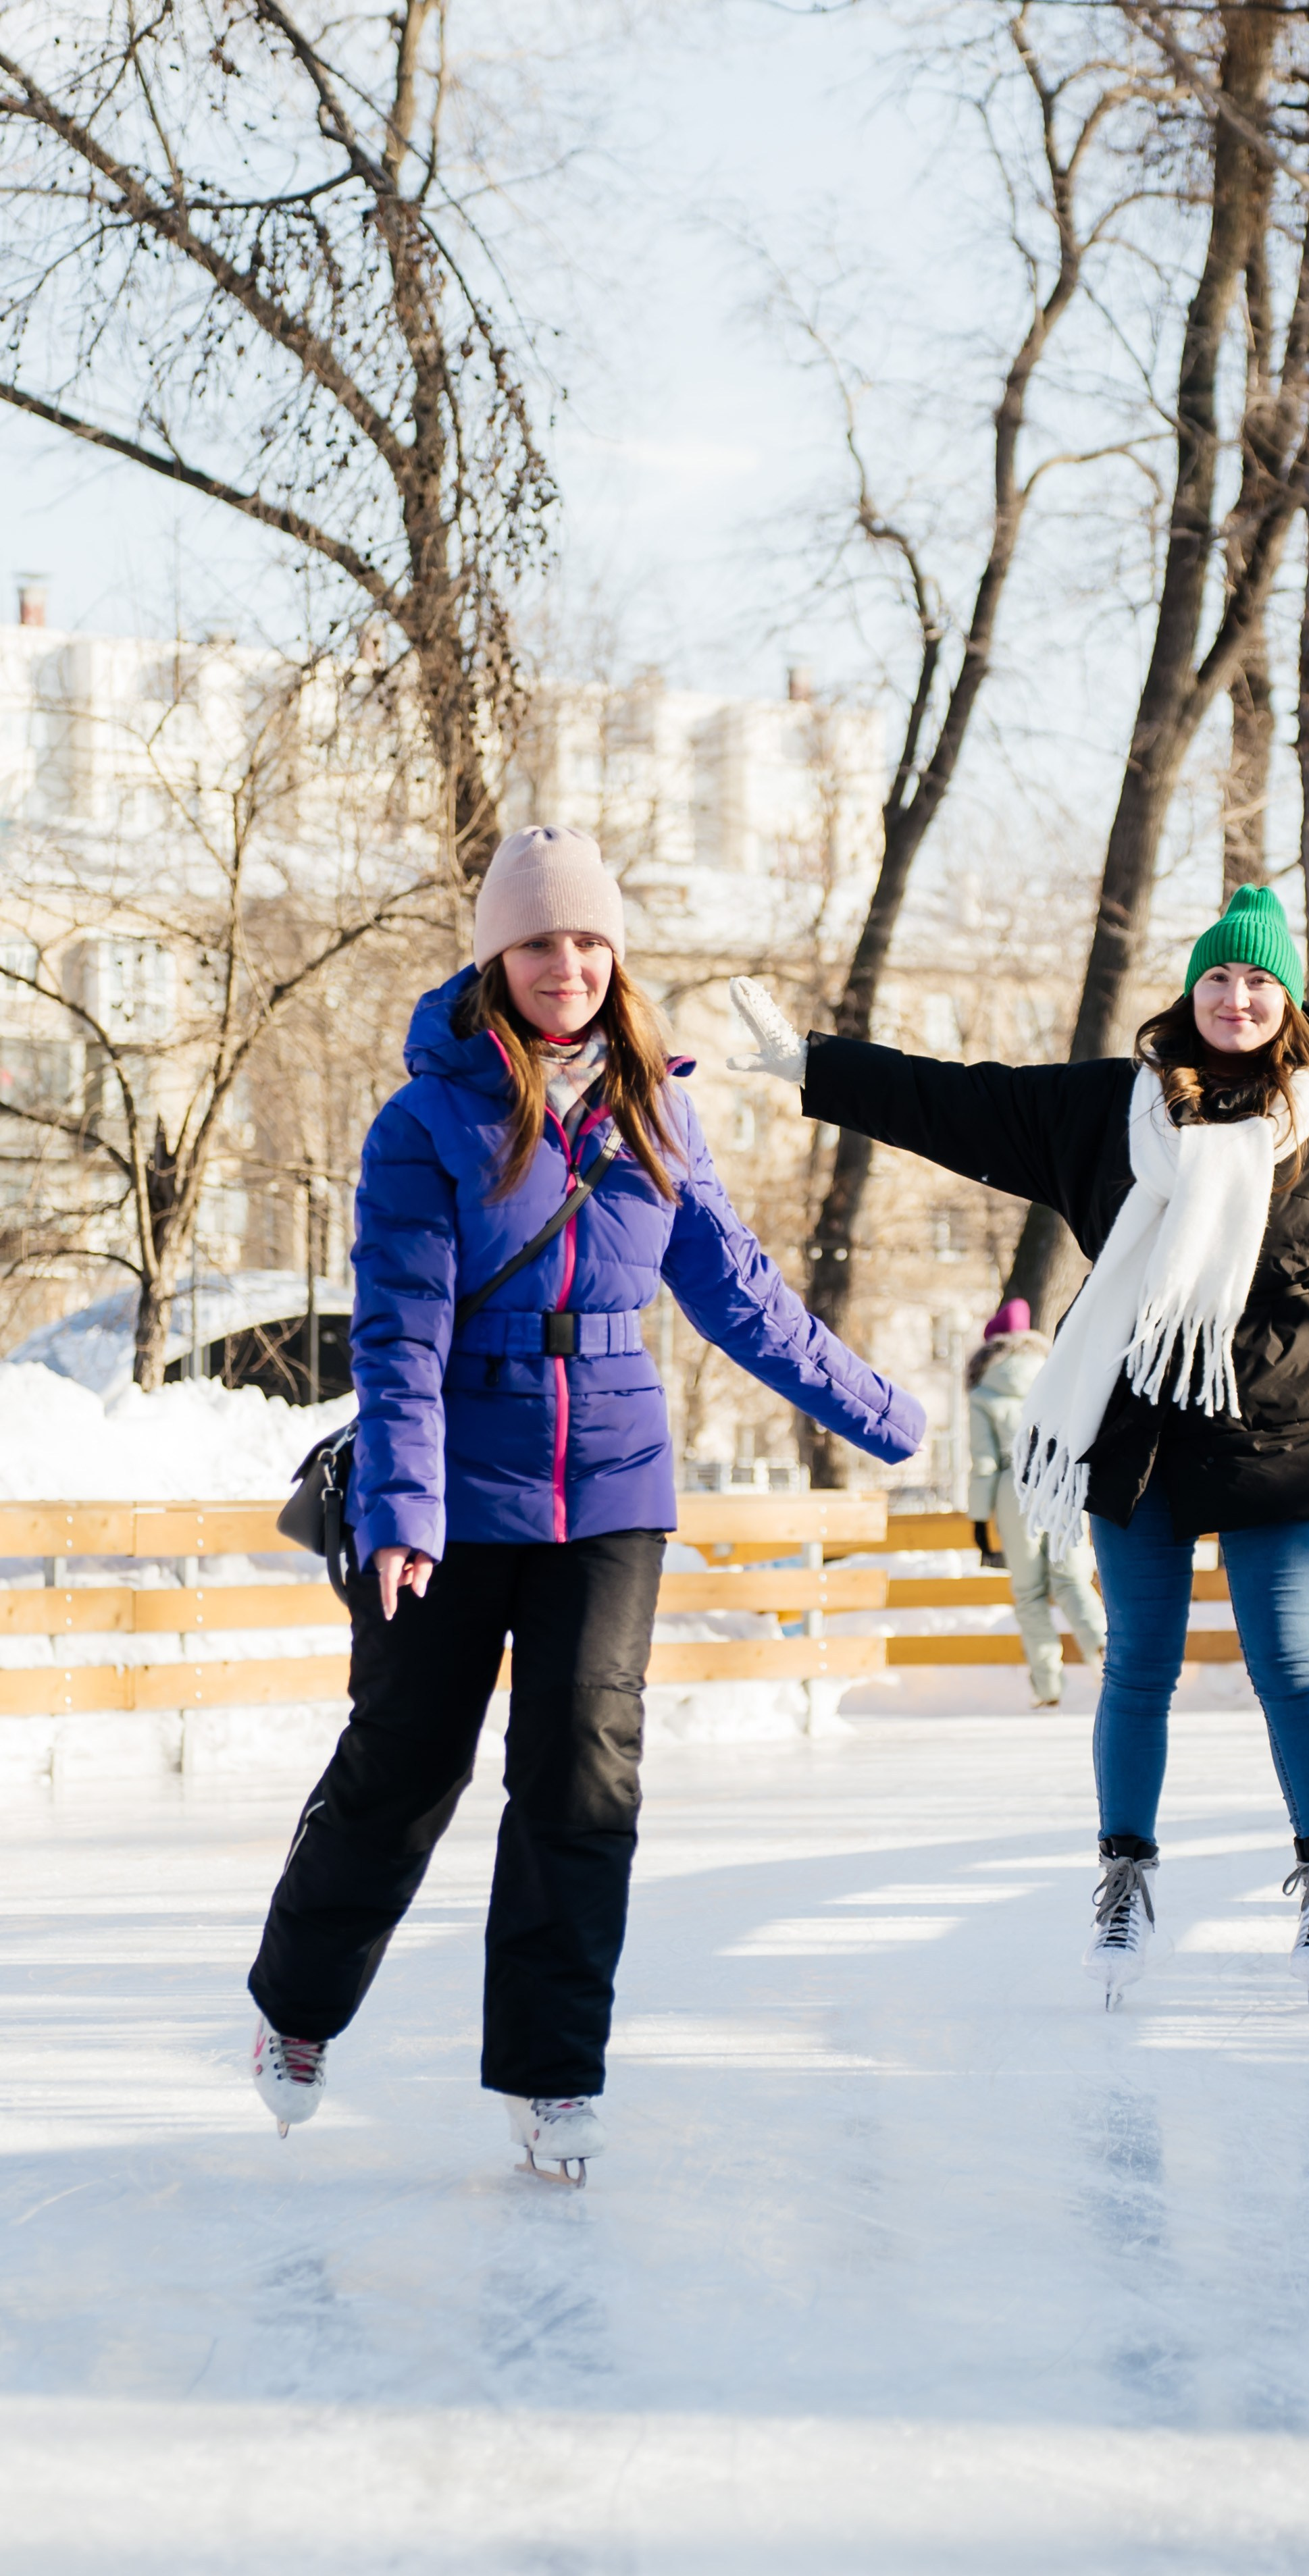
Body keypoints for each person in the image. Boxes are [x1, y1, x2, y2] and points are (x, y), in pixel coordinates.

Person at [728, 884, 1309, 2009]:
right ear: (1191, 992)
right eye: (1218, 978)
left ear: (1285, 1005)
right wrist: (814, 1066)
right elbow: (958, 1103)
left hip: (1280, 1425)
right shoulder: (1108, 1110)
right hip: (1134, 1422)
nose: (1236, 997)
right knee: (1139, 1663)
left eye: (1258, 981)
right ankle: (1123, 1881)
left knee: (1286, 1661)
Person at [247, 824, 924, 2178]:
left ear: (616, 956)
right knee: (405, 1766)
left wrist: (885, 1412)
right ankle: (298, 2006)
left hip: (613, 1483)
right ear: (496, 956)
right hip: (455, 1484)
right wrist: (403, 1510)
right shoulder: (428, 1117)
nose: (567, 961)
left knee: (583, 1777)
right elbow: (398, 1333)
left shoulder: (658, 1109)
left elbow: (737, 1292)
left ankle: (552, 2073)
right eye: (539, 939)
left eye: (589, 937)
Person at [967, 1298, 1106, 1707]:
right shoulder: (1056, 1374)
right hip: (1062, 1478)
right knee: (1071, 1579)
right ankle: (1102, 1646)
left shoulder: (983, 1392)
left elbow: (984, 1461)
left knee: (1029, 1592)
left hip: (1015, 1487)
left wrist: (979, 1520)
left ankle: (1047, 1689)